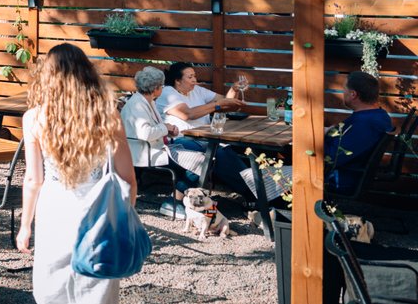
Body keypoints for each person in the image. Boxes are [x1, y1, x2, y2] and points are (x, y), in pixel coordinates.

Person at [16, 44, 137, 304]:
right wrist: (122, 218)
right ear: (87, 73)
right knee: (96, 300)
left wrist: (25, 225)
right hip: (97, 218)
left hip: (54, 214)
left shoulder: (33, 118)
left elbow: (33, 180)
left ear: (47, 77)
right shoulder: (108, 114)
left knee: (54, 298)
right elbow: (128, 181)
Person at [263, 72, 393, 196]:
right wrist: (328, 131)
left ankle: (264, 208)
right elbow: (348, 141)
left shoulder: (365, 123)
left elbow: (332, 157)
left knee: (253, 174)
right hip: (345, 173)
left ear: (353, 94)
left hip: (336, 178)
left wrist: (315, 134)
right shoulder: (378, 116)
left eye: (344, 89)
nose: (343, 93)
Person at [156, 61, 254, 200]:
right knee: (212, 156)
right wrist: (218, 105)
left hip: (204, 139)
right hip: (178, 141)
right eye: (190, 77)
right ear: (177, 81)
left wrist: (234, 90)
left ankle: (253, 190)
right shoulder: (168, 93)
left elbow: (225, 102)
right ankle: (174, 198)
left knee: (224, 152)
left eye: (194, 76)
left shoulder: (197, 90)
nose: (194, 80)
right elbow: (188, 114)